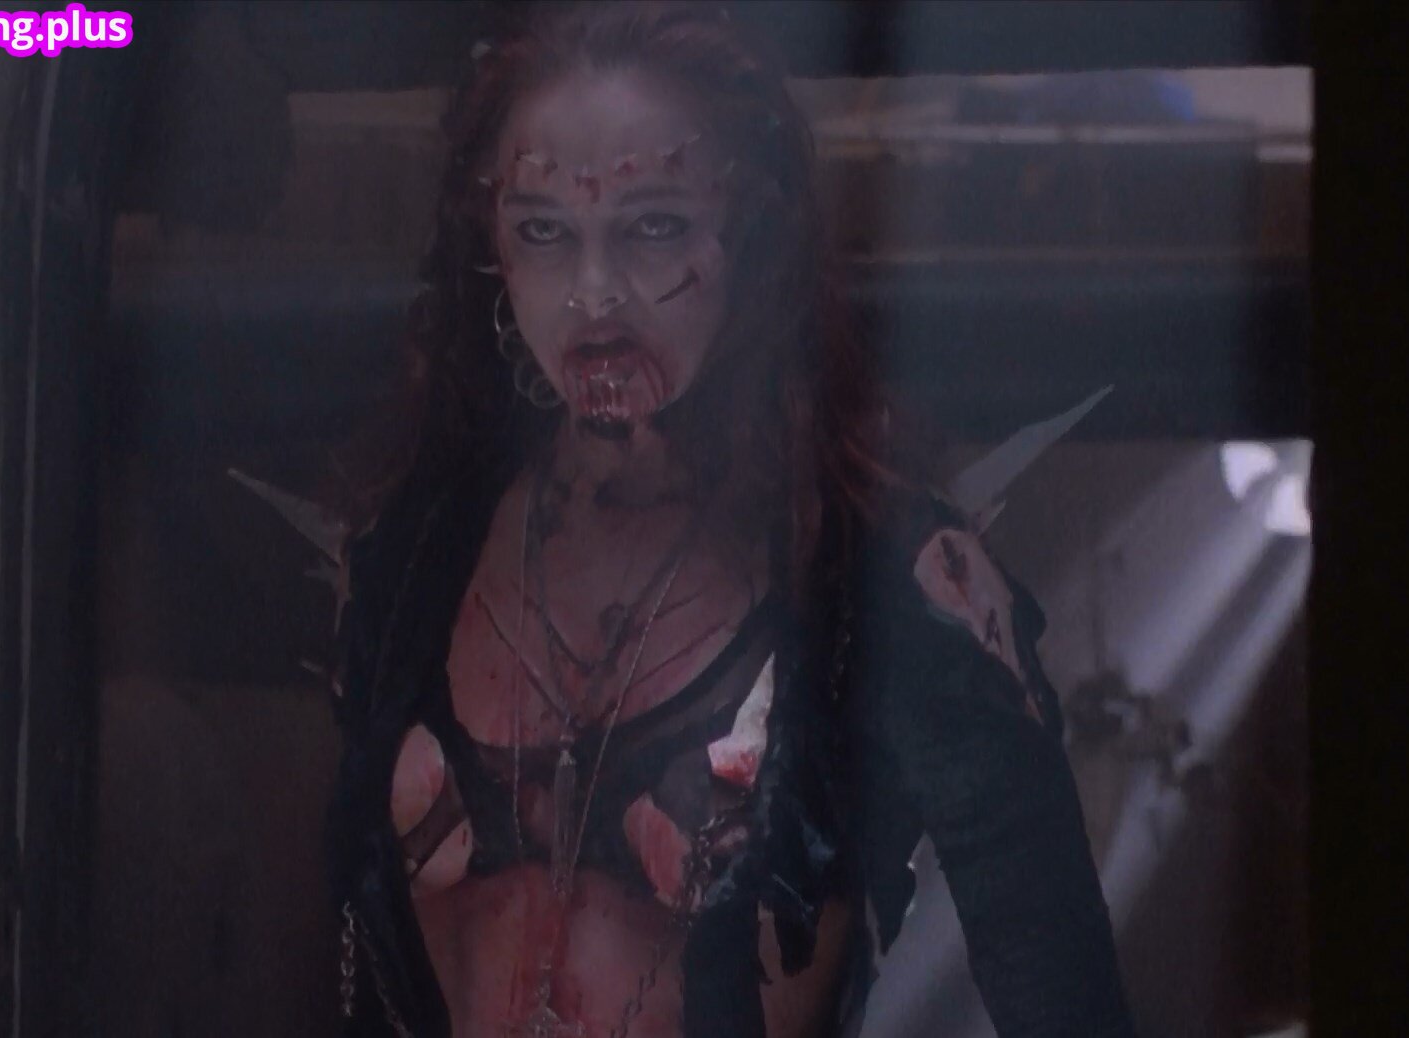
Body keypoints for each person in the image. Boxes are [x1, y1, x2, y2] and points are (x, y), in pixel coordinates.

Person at [322, 4, 1134, 1035]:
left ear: (749, 233)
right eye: (544, 231)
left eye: (654, 226)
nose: (594, 295)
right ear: (492, 249)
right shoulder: (413, 554)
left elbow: (1056, 980)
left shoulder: (883, 573)